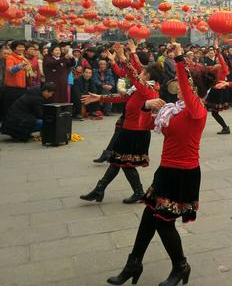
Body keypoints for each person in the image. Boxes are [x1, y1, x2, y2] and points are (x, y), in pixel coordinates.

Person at [106, 43, 213, 286]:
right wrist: (146, 107)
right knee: (148, 215)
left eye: (183, 83)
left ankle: (180, 267)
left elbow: (185, 86)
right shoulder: (172, 109)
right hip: (165, 171)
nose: (177, 85)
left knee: (164, 223)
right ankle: (134, 263)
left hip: (184, 174)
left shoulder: (197, 111)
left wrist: (179, 58)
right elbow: (145, 125)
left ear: (194, 89)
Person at [80, 42, 163, 204]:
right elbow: (124, 97)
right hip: (129, 129)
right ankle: (101, 190)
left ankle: (132, 191)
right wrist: (100, 97)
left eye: (143, 72)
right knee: (117, 161)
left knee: (123, 162)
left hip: (136, 131)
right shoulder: (140, 88)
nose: (140, 73)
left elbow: (132, 74)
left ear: (147, 76)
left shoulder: (148, 89)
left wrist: (124, 57)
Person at [203, 43, 230, 135]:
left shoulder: (224, 67)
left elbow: (220, 60)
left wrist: (217, 49)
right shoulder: (217, 66)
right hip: (215, 89)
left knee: (213, 112)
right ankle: (225, 127)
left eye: (219, 57)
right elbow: (205, 68)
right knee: (208, 109)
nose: (217, 58)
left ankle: (225, 127)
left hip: (219, 90)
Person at [2, 41, 30, 118]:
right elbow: (10, 70)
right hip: (12, 89)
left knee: (20, 108)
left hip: (22, 88)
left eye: (23, 47)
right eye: (19, 47)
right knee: (11, 108)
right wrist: (21, 66)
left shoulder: (23, 58)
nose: (21, 49)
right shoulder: (10, 57)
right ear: (14, 48)